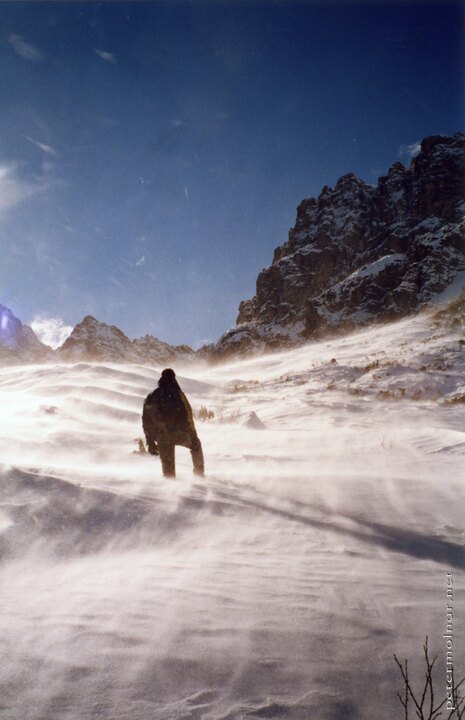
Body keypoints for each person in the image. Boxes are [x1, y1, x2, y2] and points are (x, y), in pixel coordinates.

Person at [142, 368, 204, 478]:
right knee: (196, 445)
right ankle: (199, 475)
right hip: (181, 435)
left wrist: (150, 441)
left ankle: (169, 490)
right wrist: (193, 437)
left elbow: (146, 421)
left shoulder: (153, 395)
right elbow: (188, 415)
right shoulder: (178, 394)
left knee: (168, 472)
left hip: (162, 437)